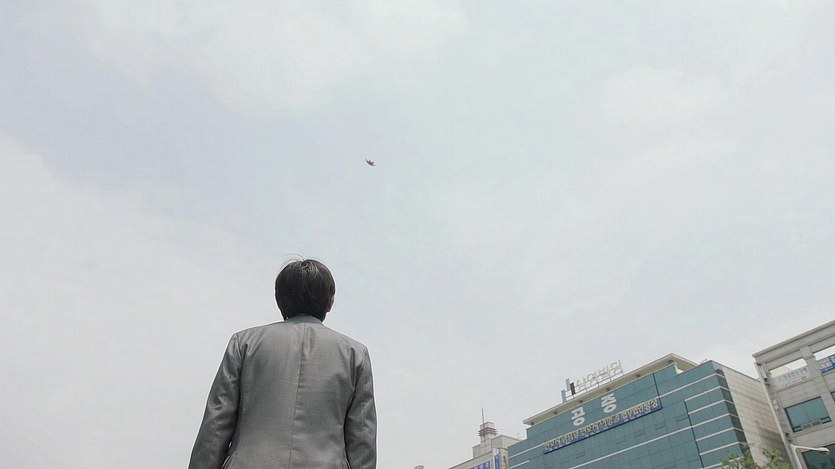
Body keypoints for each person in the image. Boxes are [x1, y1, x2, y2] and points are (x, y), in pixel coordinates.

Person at [188, 259, 376, 469]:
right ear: (329, 302)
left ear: (279, 299)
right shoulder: (355, 355)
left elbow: (216, 426)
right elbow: (362, 441)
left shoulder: (244, 344)